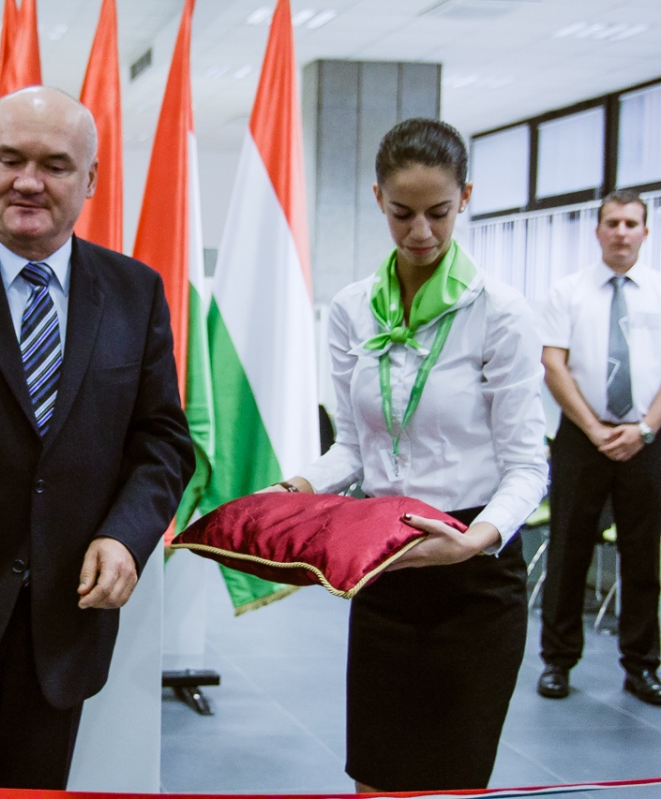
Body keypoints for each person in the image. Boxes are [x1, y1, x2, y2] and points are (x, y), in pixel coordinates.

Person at [0, 86, 194, 790]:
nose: (28, 181)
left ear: (91, 178)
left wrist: (126, 535)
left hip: (64, 621)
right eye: (9, 159)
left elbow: (162, 441)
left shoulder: (135, 290)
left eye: (54, 164)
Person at [264, 118, 547, 792]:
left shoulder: (500, 312)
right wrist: (299, 485)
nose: (421, 232)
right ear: (378, 199)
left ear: (466, 197)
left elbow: (528, 466)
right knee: (376, 776)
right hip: (386, 564)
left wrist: (473, 540)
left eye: (439, 212)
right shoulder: (353, 309)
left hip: (473, 571)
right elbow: (353, 448)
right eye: (402, 213)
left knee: (450, 781)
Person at [536, 191, 661, 705]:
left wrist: (645, 430)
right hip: (580, 437)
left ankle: (643, 665)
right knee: (569, 550)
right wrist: (593, 429)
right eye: (612, 222)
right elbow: (553, 363)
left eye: (631, 223)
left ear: (645, 232)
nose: (621, 232)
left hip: (646, 438)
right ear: (598, 230)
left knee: (643, 555)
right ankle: (557, 662)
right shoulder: (567, 292)